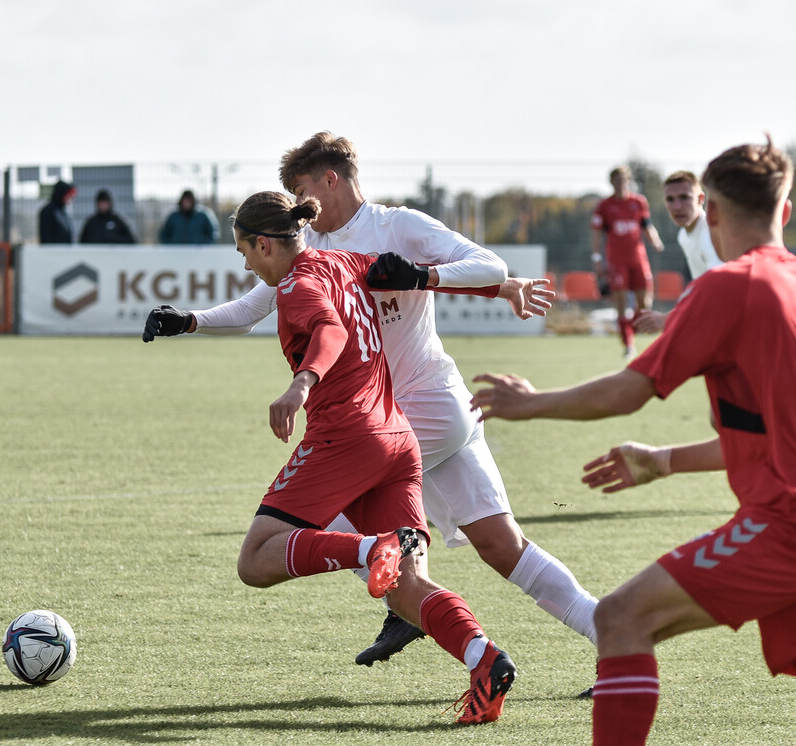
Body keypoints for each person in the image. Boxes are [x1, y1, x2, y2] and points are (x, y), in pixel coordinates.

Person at [143, 133, 598, 679]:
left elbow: (487, 265)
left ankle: (405, 597)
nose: (298, 204)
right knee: (505, 547)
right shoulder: (316, 249)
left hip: (413, 408)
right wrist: (191, 320)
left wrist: (437, 278)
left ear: (330, 179)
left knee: (296, 531)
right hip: (417, 417)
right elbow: (251, 307)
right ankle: (610, 633)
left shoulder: (397, 227)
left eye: (301, 188)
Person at [470, 138, 796, 745]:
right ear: (786, 209)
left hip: (786, 525)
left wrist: (530, 404)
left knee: (620, 618)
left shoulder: (729, 286)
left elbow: (631, 389)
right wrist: (663, 460)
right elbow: (767, 438)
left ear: (713, 214)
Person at [226, 190, 516, 724]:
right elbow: (406, 273)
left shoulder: (296, 285)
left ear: (265, 245)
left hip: (347, 440)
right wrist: (506, 286)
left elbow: (329, 331)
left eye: (243, 249)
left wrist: (301, 384)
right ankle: (485, 659)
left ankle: (367, 550)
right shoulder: (341, 260)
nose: (243, 261)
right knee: (407, 590)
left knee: (255, 561)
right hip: (397, 438)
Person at [633, 170, 723, 333]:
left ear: (700, 199)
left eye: (684, 197)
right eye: (670, 199)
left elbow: (720, 289)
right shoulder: (684, 235)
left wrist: (668, 318)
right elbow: (701, 286)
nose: (677, 206)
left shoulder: (709, 234)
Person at [590, 165, 666, 357]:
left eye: (623, 179)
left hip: (638, 258)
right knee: (621, 303)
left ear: (628, 181)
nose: (620, 184)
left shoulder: (639, 202)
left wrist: (655, 241)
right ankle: (629, 345)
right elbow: (597, 234)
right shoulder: (605, 205)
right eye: (616, 180)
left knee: (644, 306)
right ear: (611, 182)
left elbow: (647, 225)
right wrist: (597, 258)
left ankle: (632, 332)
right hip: (616, 260)